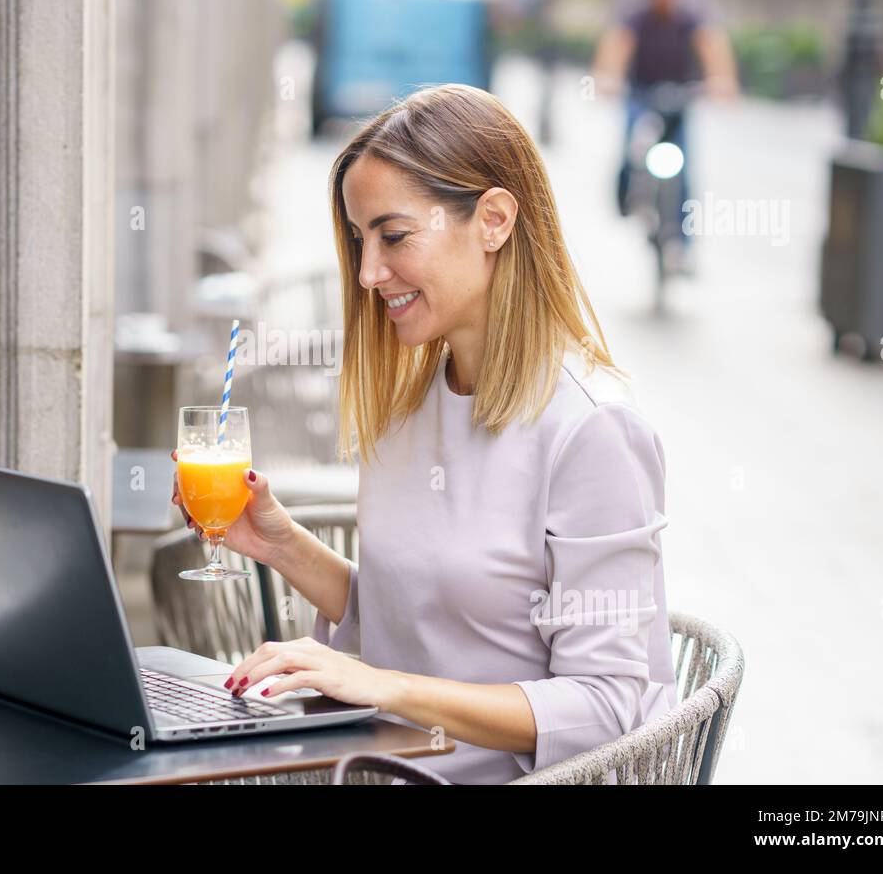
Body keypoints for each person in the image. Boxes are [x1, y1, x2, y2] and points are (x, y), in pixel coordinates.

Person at [171, 84, 676, 784]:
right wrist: (279, 544)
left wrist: (383, 685)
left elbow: (607, 703)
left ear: (494, 219)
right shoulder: (412, 405)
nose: (370, 272)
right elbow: (420, 621)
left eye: (395, 235)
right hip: (384, 769)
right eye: (358, 239)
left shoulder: (592, 431)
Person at [592, 0, 739, 275]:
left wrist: (723, 81)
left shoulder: (694, 9)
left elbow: (712, 45)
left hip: (680, 96)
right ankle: (627, 194)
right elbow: (616, 46)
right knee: (633, 145)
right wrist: (607, 79)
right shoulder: (633, 9)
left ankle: (681, 246)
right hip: (640, 94)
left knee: (683, 167)